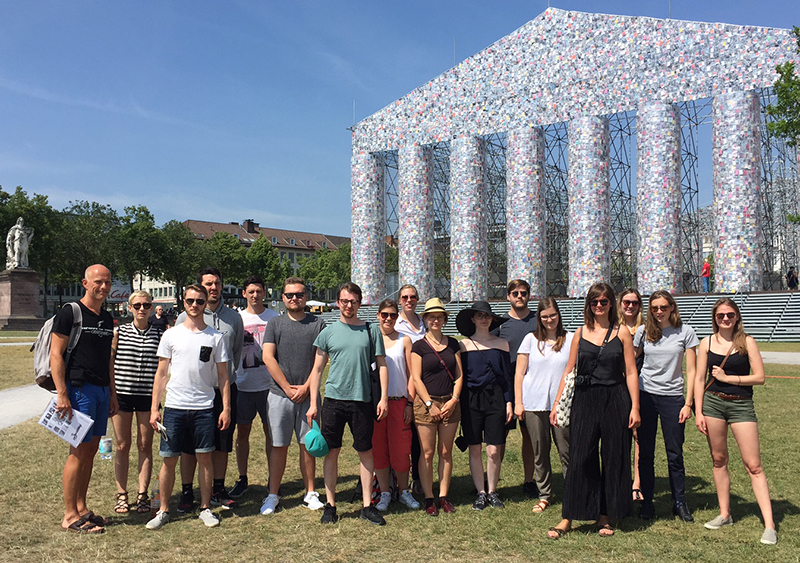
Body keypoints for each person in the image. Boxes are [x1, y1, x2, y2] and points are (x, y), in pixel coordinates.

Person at [548, 282, 640, 539]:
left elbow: (631, 372)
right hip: (585, 398)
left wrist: (635, 407)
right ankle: (568, 516)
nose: (599, 306)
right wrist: (557, 404)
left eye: (604, 301)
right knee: (580, 457)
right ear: (588, 304)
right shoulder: (579, 332)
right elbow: (569, 371)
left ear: (612, 304)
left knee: (614, 457)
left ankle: (605, 515)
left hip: (615, 398)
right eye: (594, 301)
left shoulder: (622, 333)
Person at [146, 284, 231, 529]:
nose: (195, 305)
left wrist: (226, 408)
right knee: (168, 459)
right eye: (191, 300)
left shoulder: (215, 337)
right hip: (174, 407)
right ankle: (163, 510)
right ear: (184, 302)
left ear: (207, 304)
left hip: (204, 407)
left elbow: (223, 376)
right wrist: (155, 408)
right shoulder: (171, 335)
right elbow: (161, 374)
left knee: (205, 458)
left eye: (200, 301)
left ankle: (205, 507)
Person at [694, 298, 777, 545]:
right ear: (715, 318)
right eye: (720, 316)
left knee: (753, 465)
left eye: (730, 315)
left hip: (741, 405)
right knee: (719, 460)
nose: (725, 319)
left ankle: (770, 525)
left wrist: (729, 379)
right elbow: (699, 379)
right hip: (713, 405)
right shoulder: (706, 343)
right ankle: (724, 514)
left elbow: (760, 377)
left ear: (737, 316)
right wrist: (698, 411)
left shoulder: (747, 342)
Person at [306, 282, 389, 526]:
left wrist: (383, 397)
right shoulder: (328, 332)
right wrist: (313, 403)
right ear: (338, 303)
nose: (348, 305)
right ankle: (330, 505)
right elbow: (317, 370)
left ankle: (367, 505)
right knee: (331, 453)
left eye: (353, 301)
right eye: (344, 301)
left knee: (365, 452)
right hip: (333, 400)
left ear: (359, 303)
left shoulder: (370, 330)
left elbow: (382, 366)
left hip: (362, 400)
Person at [51, 264, 118, 533]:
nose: (103, 287)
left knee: (91, 451)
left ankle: (82, 508)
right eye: (98, 282)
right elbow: (56, 354)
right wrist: (62, 394)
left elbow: (107, 359)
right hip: (79, 390)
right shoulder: (71, 312)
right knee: (77, 452)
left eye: (108, 282)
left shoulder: (106, 317)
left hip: (101, 391)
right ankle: (69, 515)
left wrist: (112, 393)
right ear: (85, 283)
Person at [176, 268, 243, 512]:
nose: (213, 288)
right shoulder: (183, 318)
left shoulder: (234, 318)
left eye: (216, 283)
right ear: (200, 287)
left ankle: (218, 488)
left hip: (224, 390)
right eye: (208, 284)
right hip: (193, 392)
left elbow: (235, 353)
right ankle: (186, 491)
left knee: (222, 442)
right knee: (189, 445)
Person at [260, 277, 326, 514]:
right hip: (279, 394)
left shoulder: (318, 324)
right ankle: (272, 494)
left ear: (305, 296)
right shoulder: (275, 324)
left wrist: (307, 387)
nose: (294, 299)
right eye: (289, 295)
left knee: (308, 444)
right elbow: (268, 357)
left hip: (309, 395)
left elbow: (321, 360)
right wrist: (287, 387)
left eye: (298, 294)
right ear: (283, 298)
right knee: (278, 445)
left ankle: (310, 492)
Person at [633, 291, 698, 522]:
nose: (659, 312)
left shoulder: (686, 332)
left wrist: (688, 403)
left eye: (663, 307)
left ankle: (679, 502)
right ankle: (647, 502)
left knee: (675, 453)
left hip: (673, 398)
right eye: (654, 308)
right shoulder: (643, 332)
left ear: (672, 307)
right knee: (646, 453)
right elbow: (632, 360)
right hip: (646, 396)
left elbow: (692, 370)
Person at [514, 297, 572, 514]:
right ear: (539, 318)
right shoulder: (530, 340)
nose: (550, 320)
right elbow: (519, 372)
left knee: (566, 451)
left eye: (553, 315)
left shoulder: (571, 339)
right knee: (540, 451)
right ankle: (545, 494)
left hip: (562, 406)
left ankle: (572, 492)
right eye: (545, 316)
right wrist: (519, 402)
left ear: (559, 315)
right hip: (534, 403)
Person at [111, 290, 165, 515]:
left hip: (146, 396)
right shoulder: (119, 332)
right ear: (129, 307)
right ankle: (121, 493)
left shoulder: (159, 334)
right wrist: (112, 395)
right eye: (137, 306)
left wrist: (156, 403)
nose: (142, 309)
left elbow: (161, 370)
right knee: (122, 445)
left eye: (146, 305)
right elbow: (110, 364)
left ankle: (142, 494)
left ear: (152, 308)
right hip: (122, 395)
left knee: (145, 445)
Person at [409, 298, 464, 516]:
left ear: (444, 319)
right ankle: (429, 497)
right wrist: (430, 404)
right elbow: (416, 378)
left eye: (439, 317)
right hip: (426, 404)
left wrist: (454, 400)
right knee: (427, 452)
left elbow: (459, 375)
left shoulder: (453, 344)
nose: (435, 320)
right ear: (425, 319)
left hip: (450, 402)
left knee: (446, 451)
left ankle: (443, 495)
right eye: (431, 316)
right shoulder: (419, 346)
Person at [457, 301, 512, 510]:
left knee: (494, 449)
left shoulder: (502, 344)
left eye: (487, 316)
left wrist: (509, 401)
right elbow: (460, 377)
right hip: (471, 399)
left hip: (495, 398)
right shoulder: (463, 345)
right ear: (472, 319)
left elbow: (507, 377)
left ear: (492, 320)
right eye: (479, 315)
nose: (483, 319)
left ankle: (492, 490)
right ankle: (480, 492)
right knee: (475, 448)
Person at [228, 275, 279, 498]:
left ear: (264, 292)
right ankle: (242, 477)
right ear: (244, 294)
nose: (255, 295)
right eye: (251, 291)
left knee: (272, 434)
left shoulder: (274, 318)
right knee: (242, 433)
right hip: (242, 384)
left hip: (269, 386)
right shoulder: (237, 319)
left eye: (259, 291)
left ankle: (272, 478)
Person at [372, 299, 420, 512]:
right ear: (378, 315)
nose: (388, 319)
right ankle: (384, 492)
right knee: (379, 449)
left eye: (392, 315)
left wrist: (410, 402)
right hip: (376, 405)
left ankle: (403, 491)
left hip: (399, 402)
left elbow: (412, 375)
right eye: (384, 314)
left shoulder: (405, 340)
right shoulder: (371, 339)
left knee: (401, 450)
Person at [493, 279, 538, 497]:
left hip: (532, 386)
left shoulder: (538, 321)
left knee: (530, 436)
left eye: (523, 293)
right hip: (505, 387)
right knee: (498, 436)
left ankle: (530, 480)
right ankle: (493, 481)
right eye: (515, 293)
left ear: (529, 295)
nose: (519, 296)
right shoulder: (499, 324)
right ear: (508, 296)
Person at [394, 283, 426, 495]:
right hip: (403, 385)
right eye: (405, 297)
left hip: (424, 385)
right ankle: (396, 479)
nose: (409, 300)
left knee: (419, 437)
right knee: (401, 435)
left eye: (412, 297)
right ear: (399, 301)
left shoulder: (425, 324)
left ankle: (417, 478)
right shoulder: (394, 324)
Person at [618, 288, 644, 503]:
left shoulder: (645, 329)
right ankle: (621, 478)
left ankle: (637, 482)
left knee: (638, 437)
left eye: (634, 303)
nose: (630, 306)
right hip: (616, 386)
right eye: (626, 302)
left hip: (640, 385)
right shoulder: (613, 327)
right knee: (619, 436)